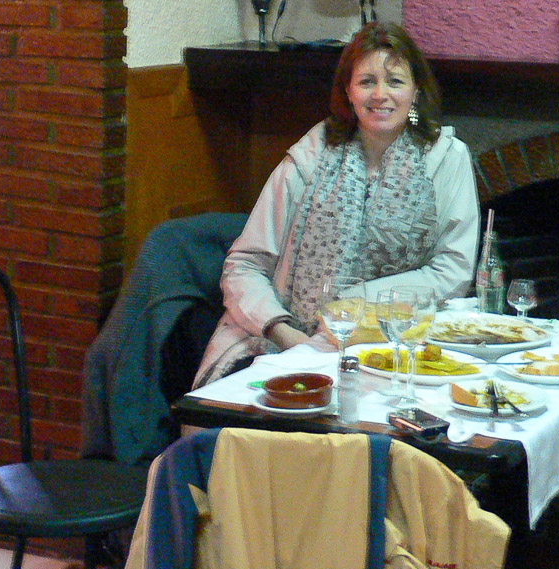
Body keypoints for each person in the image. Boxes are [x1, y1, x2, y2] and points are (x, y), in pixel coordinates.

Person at [193, 21, 480, 387]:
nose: (380, 95)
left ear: (416, 91)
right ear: (347, 91)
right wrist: (284, 333)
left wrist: (354, 302)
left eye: (395, 81)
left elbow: (452, 271)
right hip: (274, 338)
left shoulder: (446, 157)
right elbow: (245, 264)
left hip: (388, 344)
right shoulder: (312, 153)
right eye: (366, 82)